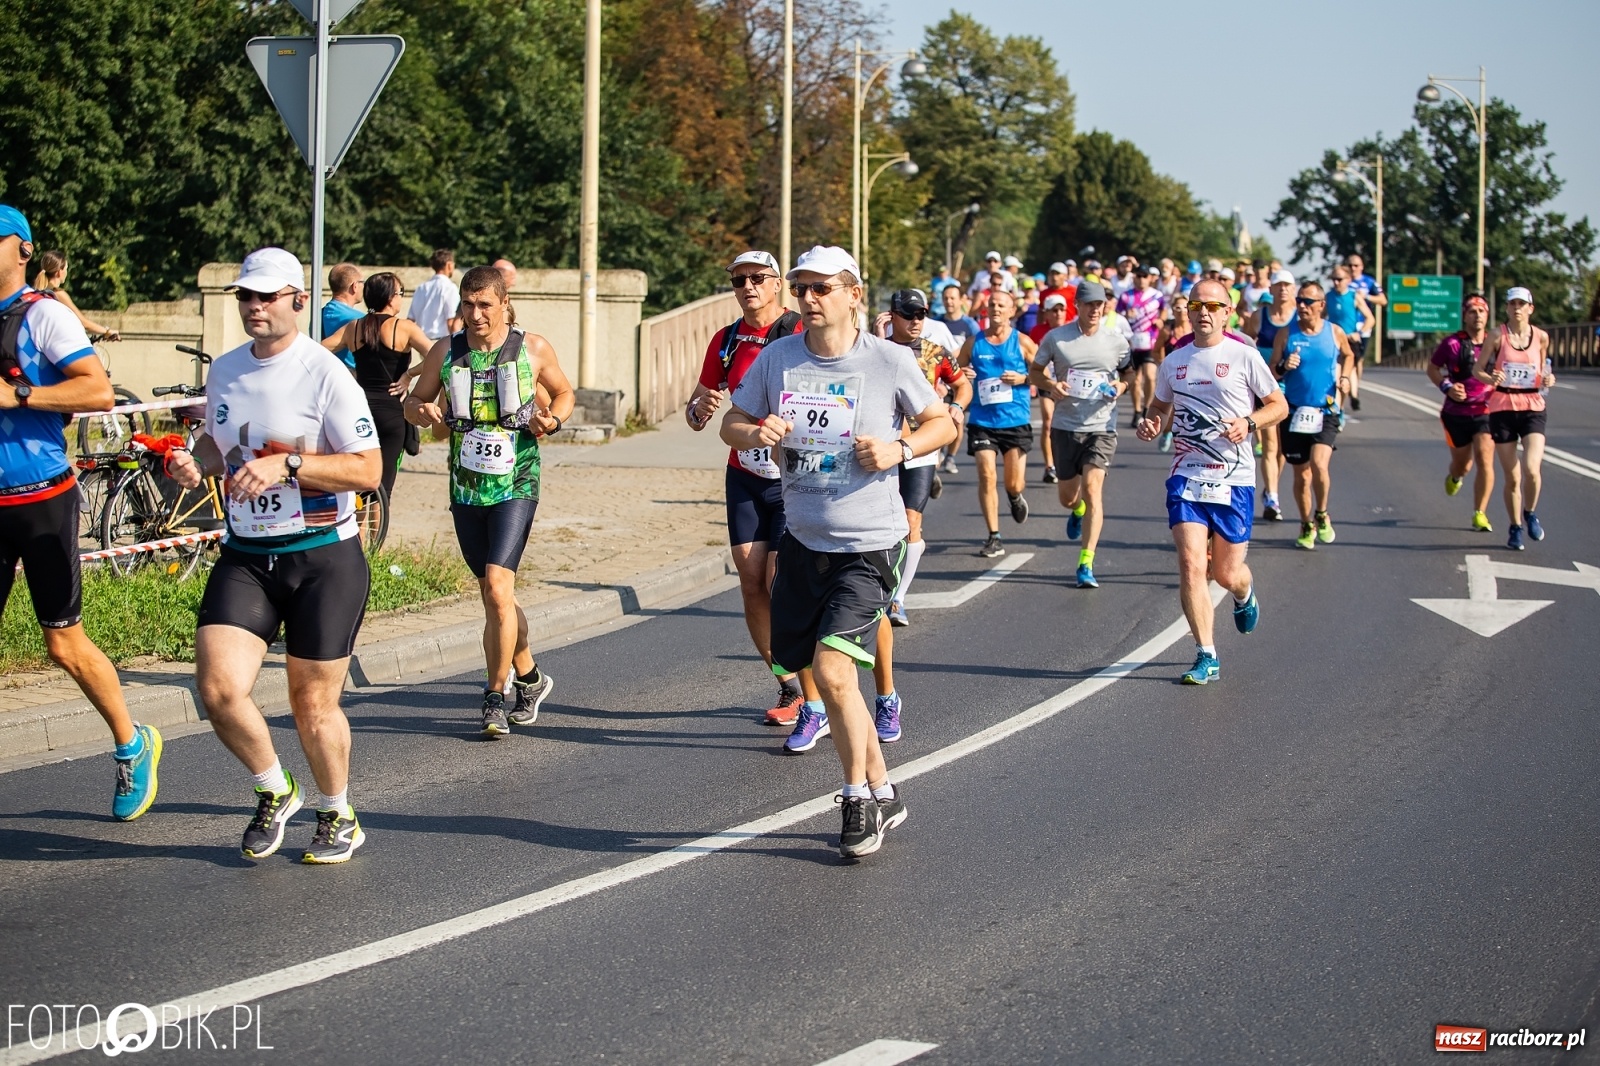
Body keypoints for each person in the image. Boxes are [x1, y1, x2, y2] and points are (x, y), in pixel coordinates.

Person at [720, 244, 955, 859]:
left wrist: (900, 451)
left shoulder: (890, 360)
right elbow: (733, 423)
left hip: (871, 545)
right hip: (804, 541)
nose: (809, 299)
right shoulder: (778, 358)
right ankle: (885, 788)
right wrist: (757, 430)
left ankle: (855, 802)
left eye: (823, 288)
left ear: (854, 293)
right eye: (802, 289)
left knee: (830, 672)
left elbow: (942, 422)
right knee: (833, 676)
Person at [166, 247, 382, 862]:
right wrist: (194, 462)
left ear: (299, 299)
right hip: (247, 555)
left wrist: (288, 463)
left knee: (311, 705)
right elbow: (221, 444)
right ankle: (273, 788)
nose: (255, 307)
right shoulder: (228, 369)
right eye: (246, 297)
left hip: (323, 558)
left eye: (267, 296)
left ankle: (338, 811)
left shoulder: (324, 373)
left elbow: (368, 470)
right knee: (217, 689)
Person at [0, 205, 158, 821]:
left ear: (22, 250)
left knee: (62, 644)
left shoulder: (44, 317)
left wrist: (18, 394)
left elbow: (95, 390)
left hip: (40, 497)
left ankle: (132, 742)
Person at [404, 266, 575, 735]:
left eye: (484, 305)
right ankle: (531, 677)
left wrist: (553, 422)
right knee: (493, 594)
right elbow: (413, 404)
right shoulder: (447, 352)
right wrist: (422, 410)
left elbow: (563, 393)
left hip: (517, 482)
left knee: (499, 587)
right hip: (466, 487)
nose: (475, 314)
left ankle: (493, 697)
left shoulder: (531, 348)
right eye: (467, 305)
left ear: (503, 304)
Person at [684, 250, 814, 727]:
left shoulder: (801, 333)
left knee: (782, 582)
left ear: (777, 283)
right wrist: (701, 410)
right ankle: (789, 684)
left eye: (758, 278)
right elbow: (697, 411)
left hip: (794, 476)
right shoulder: (726, 340)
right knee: (750, 578)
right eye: (739, 280)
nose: (748, 287)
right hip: (744, 470)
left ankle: (816, 693)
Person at [1136, 279, 1288, 685]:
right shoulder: (1174, 360)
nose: (1203, 312)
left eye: (1213, 306)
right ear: (1188, 310)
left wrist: (1250, 422)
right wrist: (1152, 422)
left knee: (1225, 573)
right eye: (1196, 305)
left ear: (1227, 313)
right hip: (1187, 475)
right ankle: (1207, 654)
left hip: (1233, 478)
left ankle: (1243, 592)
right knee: (1190, 564)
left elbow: (1279, 405)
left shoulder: (1245, 356)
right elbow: (1160, 405)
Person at [879, 288, 971, 627]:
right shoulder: (874, 347)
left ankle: (898, 599)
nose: (916, 321)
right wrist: (877, 338)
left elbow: (962, 385)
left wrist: (958, 407)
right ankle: (875, 589)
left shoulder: (935, 352)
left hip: (920, 446)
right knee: (881, 525)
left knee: (910, 521)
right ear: (892, 315)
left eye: (921, 314)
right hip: (881, 447)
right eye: (909, 314)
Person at [1031, 280, 1132, 588]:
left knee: (1093, 487)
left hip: (1102, 426)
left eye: (1099, 305)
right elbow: (1035, 372)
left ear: (1105, 307)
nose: (1094, 310)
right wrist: (1051, 385)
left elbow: (1129, 371)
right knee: (1068, 497)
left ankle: (1085, 562)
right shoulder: (1057, 338)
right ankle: (1077, 510)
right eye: (1089, 305)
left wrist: (1121, 386)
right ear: (1078, 306)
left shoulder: (1116, 340)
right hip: (1066, 427)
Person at [323, 272, 434, 498]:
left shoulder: (353, 327)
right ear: (391, 297)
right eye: (401, 293)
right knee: (382, 488)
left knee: (357, 484)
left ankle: (360, 533)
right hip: (392, 412)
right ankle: (376, 533)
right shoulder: (405, 328)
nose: (402, 298)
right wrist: (409, 375)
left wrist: (342, 380)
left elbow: (317, 352)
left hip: (359, 411)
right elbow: (438, 356)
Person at [1271, 281, 1357, 550]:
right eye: (1299, 301)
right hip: (1294, 412)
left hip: (1325, 410)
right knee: (1302, 475)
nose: (1302, 306)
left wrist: (1344, 377)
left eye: (1308, 302)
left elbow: (1349, 354)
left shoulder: (1334, 332)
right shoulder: (1286, 334)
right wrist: (1285, 365)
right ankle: (1306, 523)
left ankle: (1322, 513)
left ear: (1321, 305)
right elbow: (1272, 370)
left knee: (1320, 464)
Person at [1474, 286, 1554, 551]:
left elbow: (1544, 372)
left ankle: (1530, 512)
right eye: (1512, 304)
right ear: (1507, 308)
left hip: (1532, 405)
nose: (1517, 308)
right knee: (1513, 477)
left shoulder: (1541, 337)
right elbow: (1478, 370)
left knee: (1532, 468)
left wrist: (1549, 379)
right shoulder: (1497, 336)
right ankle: (1515, 526)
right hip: (1503, 408)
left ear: (1530, 308)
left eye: (1522, 304)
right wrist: (1490, 377)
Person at [958, 288, 1036, 558]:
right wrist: (964, 374)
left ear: (1012, 311)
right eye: (992, 304)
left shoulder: (1023, 342)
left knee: (1014, 483)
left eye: (1002, 305)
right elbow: (954, 373)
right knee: (986, 474)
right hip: (982, 420)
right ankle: (994, 536)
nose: (996, 309)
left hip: (1015, 420)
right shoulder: (973, 343)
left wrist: (1024, 379)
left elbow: (1043, 374)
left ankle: (1015, 497)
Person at [1428, 293, 1496, 532]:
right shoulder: (1452, 344)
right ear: (1464, 316)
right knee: (1463, 466)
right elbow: (1432, 368)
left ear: (1487, 315)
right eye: (1472, 312)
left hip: (1486, 411)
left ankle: (1480, 513)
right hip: (1456, 413)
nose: (1477, 316)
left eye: (1481, 311)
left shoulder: (1496, 343)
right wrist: (1447, 386)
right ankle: (1455, 477)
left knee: (1485, 458)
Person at [1243, 269, 1297, 520]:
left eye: (1288, 285)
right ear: (1271, 290)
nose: (1283, 289)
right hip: (1262, 386)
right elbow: (1241, 344)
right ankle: (1273, 498)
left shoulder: (1300, 315)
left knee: (1284, 448)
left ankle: (1270, 485)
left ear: (1293, 289)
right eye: (1279, 285)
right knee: (1270, 444)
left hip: (1292, 384)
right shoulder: (1259, 316)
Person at [1116, 265, 1166, 428]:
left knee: (1151, 377)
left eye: (1145, 276)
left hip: (1150, 341)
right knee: (1135, 381)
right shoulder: (1125, 297)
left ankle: (1147, 409)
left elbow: (1164, 310)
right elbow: (1117, 315)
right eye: (1139, 276)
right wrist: (1126, 315)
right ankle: (1137, 411)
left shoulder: (1157, 295)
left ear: (1150, 278)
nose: (1142, 279)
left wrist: (1161, 320)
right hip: (1132, 342)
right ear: (1134, 277)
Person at [31, 251, 119, 340]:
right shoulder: (58, 294)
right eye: (66, 269)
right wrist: (107, 331)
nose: (66, 273)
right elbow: (83, 323)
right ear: (59, 272)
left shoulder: (37, 292)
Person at [1029, 292, 1069, 483]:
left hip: (1068, 383)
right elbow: (1031, 359)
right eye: (1055, 310)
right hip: (1046, 382)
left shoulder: (1072, 329)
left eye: (1062, 309)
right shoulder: (1037, 332)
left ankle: (1067, 461)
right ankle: (1049, 466)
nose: (1059, 313)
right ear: (1047, 313)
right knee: (1048, 423)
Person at [1323, 266, 1373, 410]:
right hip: (1332, 341)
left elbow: (1370, 319)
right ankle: (1338, 408)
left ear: (1348, 280)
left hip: (1350, 341)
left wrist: (1359, 332)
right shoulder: (1328, 297)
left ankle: (1346, 403)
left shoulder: (1353, 296)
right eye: (1334, 279)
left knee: (1347, 373)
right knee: (1335, 376)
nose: (1336, 283)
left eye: (1339, 279)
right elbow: (1320, 317)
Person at [1345, 254, 1386, 409]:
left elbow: (1382, 300)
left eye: (1356, 266)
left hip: (1362, 326)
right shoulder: (1343, 281)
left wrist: (1367, 296)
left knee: (1358, 360)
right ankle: (1348, 384)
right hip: (1345, 327)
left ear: (1361, 267)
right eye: (1350, 265)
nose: (1353, 269)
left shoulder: (1368, 282)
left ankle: (1355, 386)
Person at [407, 248, 462, 341]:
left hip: (422, 341)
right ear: (449, 265)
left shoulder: (421, 288)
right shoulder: (450, 287)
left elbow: (410, 320)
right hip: (441, 342)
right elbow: (451, 321)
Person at [321, 262, 364, 371]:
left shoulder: (318, 317)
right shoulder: (361, 319)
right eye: (362, 282)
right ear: (354, 286)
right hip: (355, 381)